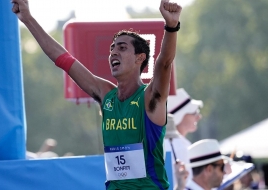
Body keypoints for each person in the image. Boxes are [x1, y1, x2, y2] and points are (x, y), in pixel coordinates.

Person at [11, 0, 182, 189]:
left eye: (122, 48)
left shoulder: (150, 98)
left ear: (140, 58)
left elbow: (164, 63)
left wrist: (171, 27)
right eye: (112, 48)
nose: (113, 53)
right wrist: (27, 19)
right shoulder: (106, 95)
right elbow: (63, 58)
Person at [164, 88, 203, 184]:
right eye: (194, 112)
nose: (198, 116)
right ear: (178, 117)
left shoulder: (181, 144)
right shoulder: (177, 146)